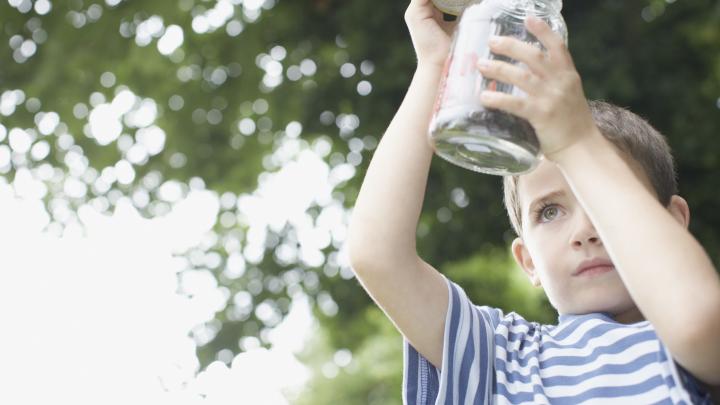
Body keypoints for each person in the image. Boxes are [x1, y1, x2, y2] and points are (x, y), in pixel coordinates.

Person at [346, 0, 720, 403]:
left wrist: (577, 143)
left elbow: (700, 322)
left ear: (674, 220)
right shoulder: (500, 355)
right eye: (550, 211)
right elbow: (376, 254)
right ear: (527, 260)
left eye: (602, 199)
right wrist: (438, 68)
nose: (584, 232)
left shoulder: (680, 346)